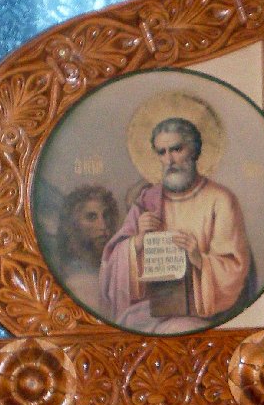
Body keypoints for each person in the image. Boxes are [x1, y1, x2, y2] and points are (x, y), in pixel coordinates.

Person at [99, 116, 255, 332]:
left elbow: (235, 268)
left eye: (176, 149)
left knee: (177, 329)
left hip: (199, 314)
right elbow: (112, 264)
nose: (169, 160)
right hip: (151, 310)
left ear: (194, 150)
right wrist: (137, 242)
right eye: (162, 152)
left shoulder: (220, 200)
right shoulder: (147, 200)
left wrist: (199, 259)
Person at [53, 186, 118, 314]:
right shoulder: (73, 280)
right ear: (73, 225)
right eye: (91, 217)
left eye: (105, 216)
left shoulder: (112, 266)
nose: (103, 226)